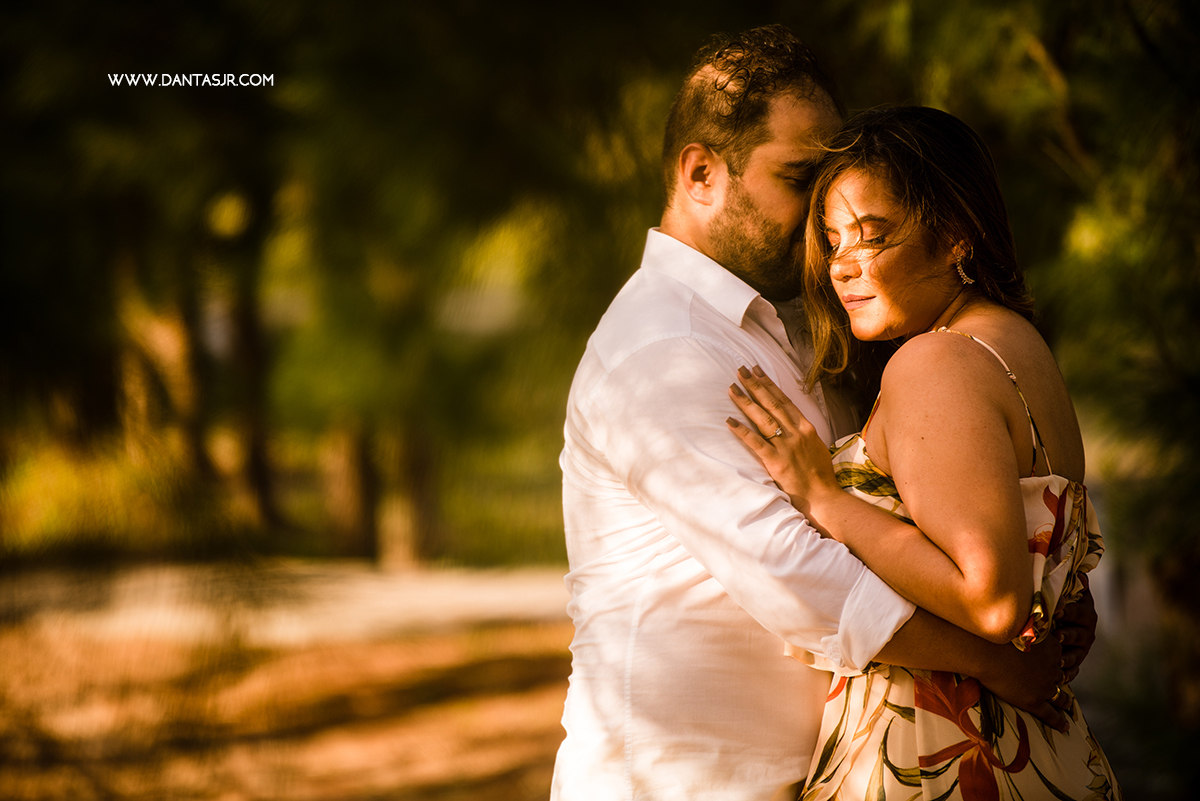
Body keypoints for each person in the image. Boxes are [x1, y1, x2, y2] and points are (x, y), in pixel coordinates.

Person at [552, 25, 1090, 800]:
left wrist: (1052, 604)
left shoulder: (803, 327)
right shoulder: (659, 347)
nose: (822, 223)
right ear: (702, 173)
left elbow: (942, 516)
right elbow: (793, 569)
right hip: (682, 782)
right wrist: (999, 655)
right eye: (801, 178)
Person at [727, 106, 1121, 798]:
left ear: (956, 236)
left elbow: (993, 597)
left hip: (935, 756)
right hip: (1028, 748)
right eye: (831, 239)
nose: (843, 266)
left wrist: (824, 498)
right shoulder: (1017, 346)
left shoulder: (935, 362)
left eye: (871, 236)